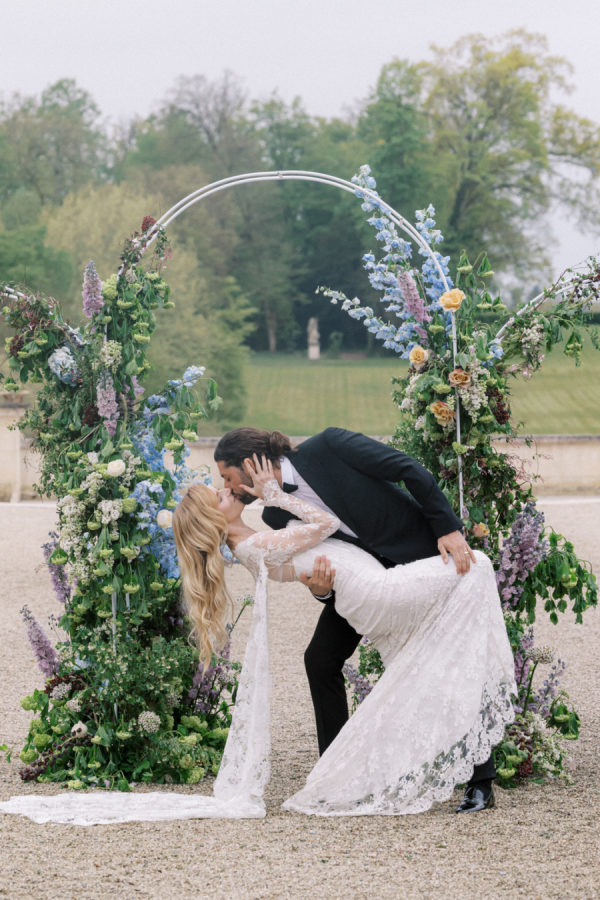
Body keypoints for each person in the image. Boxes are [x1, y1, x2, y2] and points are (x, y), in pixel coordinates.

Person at [172, 452, 515, 816]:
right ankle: (340, 775)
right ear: (212, 518)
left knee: (436, 666)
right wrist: (276, 497)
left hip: (376, 582)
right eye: (219, 493)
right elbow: (325, 526)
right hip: (378, 591)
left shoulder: (315, 466)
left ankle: (460, 772)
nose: (226, 489)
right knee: (477, 568)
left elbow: (312, 552)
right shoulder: (259, 539)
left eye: (225, 480)